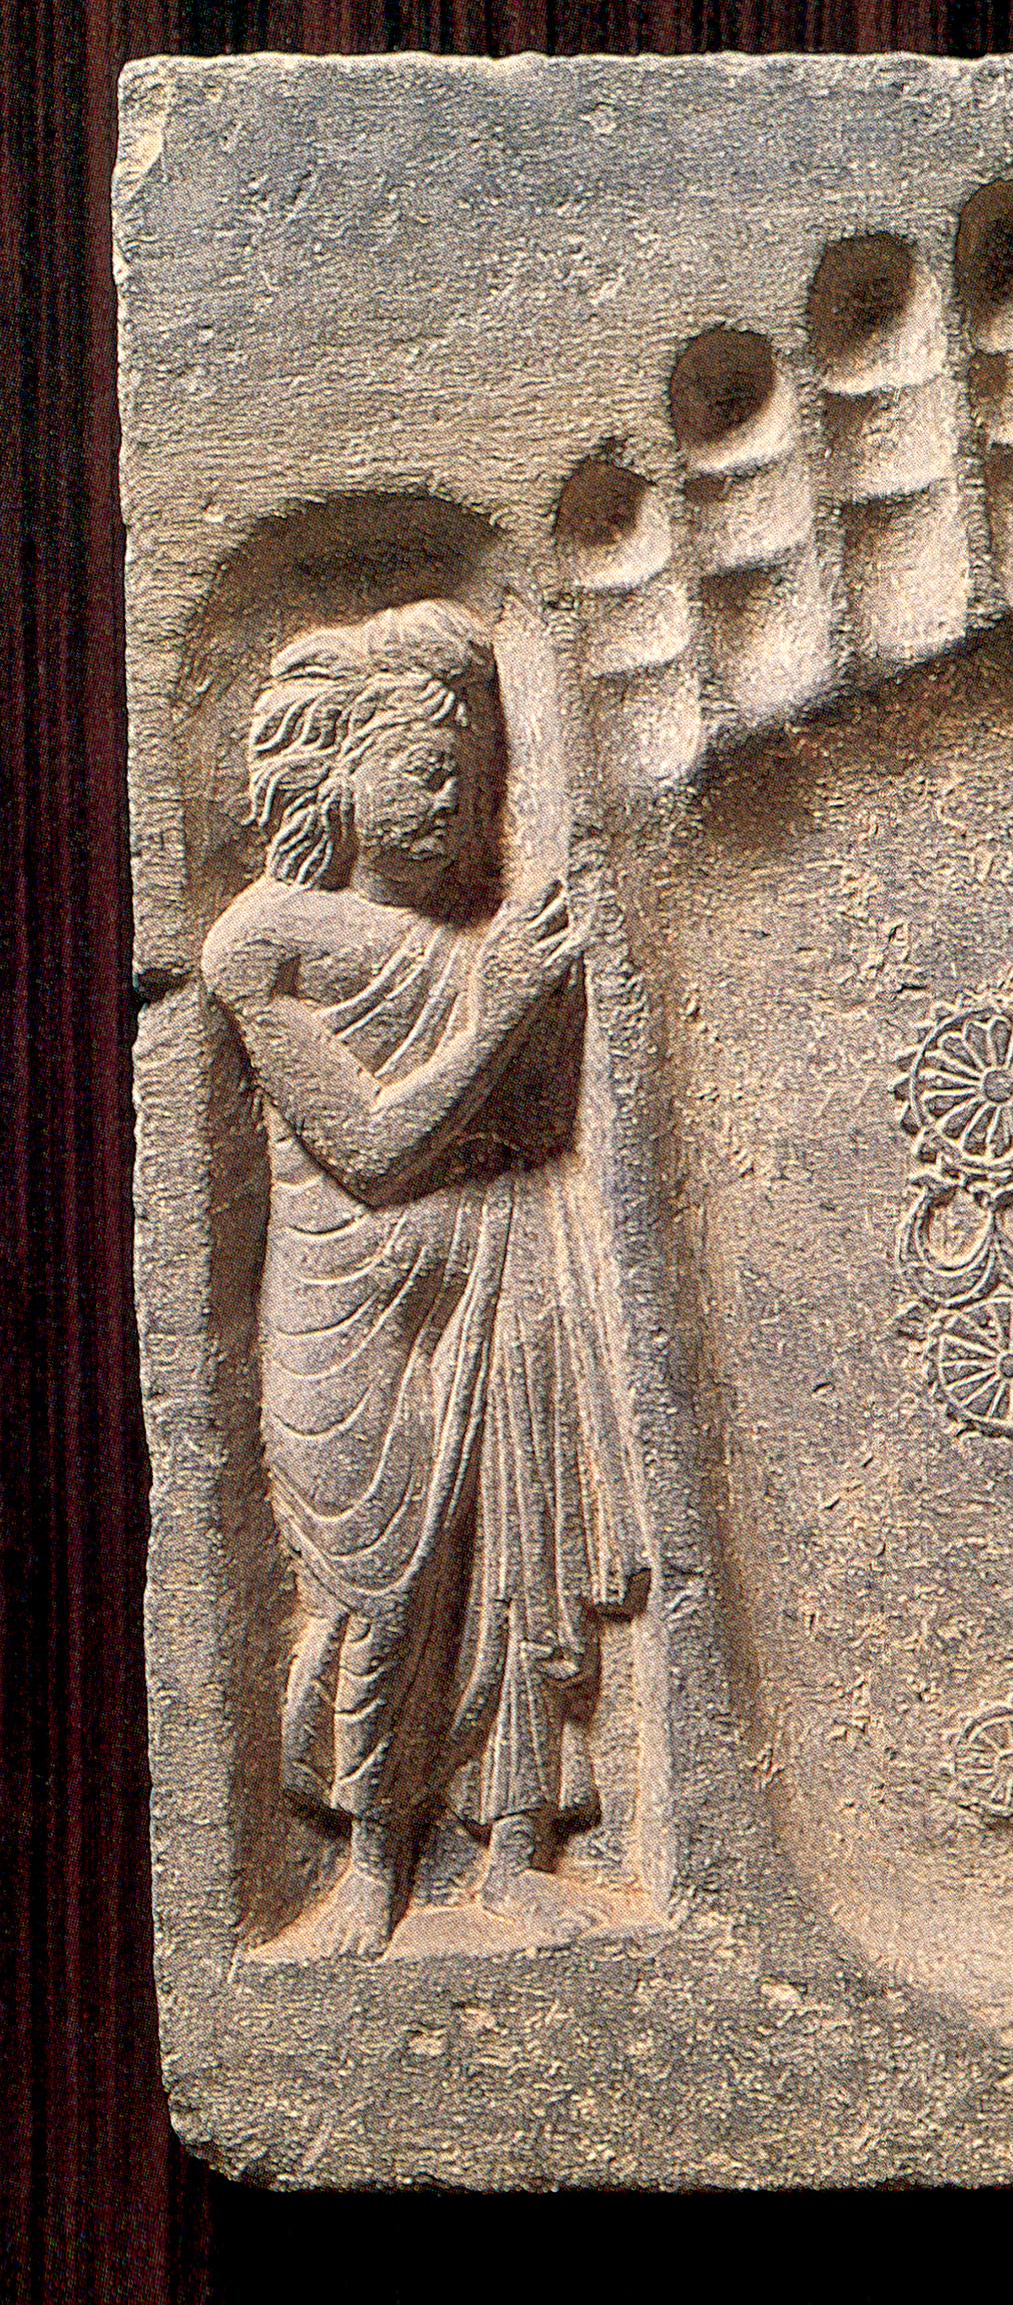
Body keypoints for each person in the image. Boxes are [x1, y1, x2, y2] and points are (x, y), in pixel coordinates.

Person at [201, 599, 645, 1955]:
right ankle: (367, 1868)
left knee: (514, 1559)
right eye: (423, 762)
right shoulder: (263, 942)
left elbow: (544, 1118)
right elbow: (374, 1149)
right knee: (378, 1588)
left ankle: (513, 1853)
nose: (456, 794)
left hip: (501, 1274)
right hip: (352, 1313)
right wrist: (499, 1009)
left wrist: (523, 1000)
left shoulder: (482, 941)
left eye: (476, 769)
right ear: (336, 770)